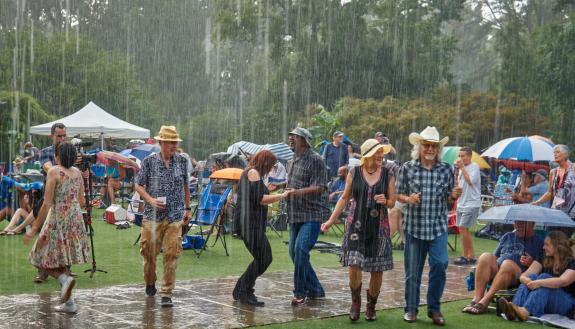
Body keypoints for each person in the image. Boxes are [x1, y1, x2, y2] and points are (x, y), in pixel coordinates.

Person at [322, 139, 395, 321]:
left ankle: (371, 306)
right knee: (354, 265)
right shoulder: (353, 172)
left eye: (382, 153)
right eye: (378, 152)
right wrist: (331, 220)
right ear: (368, 154)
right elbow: (345, 198)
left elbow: (393, 201)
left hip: (379, 229)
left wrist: (386, 201)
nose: (381, 156)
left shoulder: (388, 173)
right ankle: (356, 302)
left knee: (377, 270)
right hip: (356, 226)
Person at [395, 126, 461, 326]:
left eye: (434, 146)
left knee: (440, 265)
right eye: (427, 146)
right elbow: (397, 195)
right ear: (419, 147)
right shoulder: (407, 168)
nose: (430, 149)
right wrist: (409, 198)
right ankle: (411, 310)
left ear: (438, 149)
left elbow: (449, 199)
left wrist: (453, 196)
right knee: (413, 272)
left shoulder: (447, 169)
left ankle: (434, 310)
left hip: (437, 227)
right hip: (414, 228)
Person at [24, 142, 90, 313]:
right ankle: (70, 304)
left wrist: (33, 228)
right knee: (60, 259)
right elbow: (82, 201)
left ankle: (63, 280)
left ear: (58, 156)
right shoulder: (77, 173)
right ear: (74, 157)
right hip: (74, 220)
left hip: (57, 219)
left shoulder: (54, 171)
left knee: (39, 257)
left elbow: (46, 204)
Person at [134, 125, 191, 307]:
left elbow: (186, 185)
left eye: (175, 142)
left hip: (175, 215)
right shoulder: (149, 162)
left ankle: (167, 293)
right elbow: (138, 185)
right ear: (161, 142)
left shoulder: (182, 161)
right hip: (152, 215)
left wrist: (187, 208)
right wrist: (150, 200)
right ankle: (150, 281)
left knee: (172, 253)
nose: (173, 146)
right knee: (148, 252)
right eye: (170, 142)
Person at [232, 151, 290, 306]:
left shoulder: (252, 173)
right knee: (264, 258)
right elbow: (261, 199)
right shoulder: (253, 173)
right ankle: (243, 290)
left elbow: (255, 195)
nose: (271, 169)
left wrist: (270, 190)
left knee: (262, 258)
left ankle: (242, 289)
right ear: (265, 162)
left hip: (249, 223)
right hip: (249, 224)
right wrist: (282, 195)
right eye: (271, 165)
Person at [285, 127, 330, 305]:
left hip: (312, 214)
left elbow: (320, 187)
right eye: (290, 136)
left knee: (301, 250)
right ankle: (316, 290)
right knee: (294, 253)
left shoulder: (316, 160)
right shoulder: (291, 161)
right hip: (294, 214)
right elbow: (293, 183)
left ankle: (300, 292)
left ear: (304, 141)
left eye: (294, 137)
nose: (290, 139)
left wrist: (296, 192)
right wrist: (281, 185)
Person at [462, 221, 544, 315]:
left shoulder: (538, 242)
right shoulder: (508, 236)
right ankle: (476, 299)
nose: (519, 225)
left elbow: (540, 267)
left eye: (523, 223)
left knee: (507, 264)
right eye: (517, 222)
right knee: (485, 256)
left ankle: (484, 303)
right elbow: (495, 257)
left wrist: (530, 262)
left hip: (517, 276)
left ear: (532, 225)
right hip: (500, 271)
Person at [499, 231, 575, 321]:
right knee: (532, 277)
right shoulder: (545, 258)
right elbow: (525, 274)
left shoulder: (572, 263)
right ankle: (514, 308)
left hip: (566, 304)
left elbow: (563, 281)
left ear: (557, 246)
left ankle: (524, 311)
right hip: (547, 302)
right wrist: (525, 280)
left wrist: (539, 283)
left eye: (547, 245)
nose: (543, 247)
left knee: (544, 277)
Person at [533, 145, 575, 237]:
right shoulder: (553, 172)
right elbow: (550, 193)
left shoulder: (574, 168)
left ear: (566, 154)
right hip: (555, 211)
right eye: (554, 152)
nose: (555, 154)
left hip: (570, 212)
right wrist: (537, 202)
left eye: (558, 152)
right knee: (551, 238)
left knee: (563, 240)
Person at [453, 147, 482, 266]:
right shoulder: (461, 169)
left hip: (471, 203)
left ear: (469, 156)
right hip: (461, 203)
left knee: (463, 227)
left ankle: (465, 256)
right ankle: (471, 256)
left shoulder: (474, 166)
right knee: (463, 229)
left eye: (463, 156)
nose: (460, 158)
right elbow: (459, 185)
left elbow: (470, 181)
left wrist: (462, 168)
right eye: (459, 156)